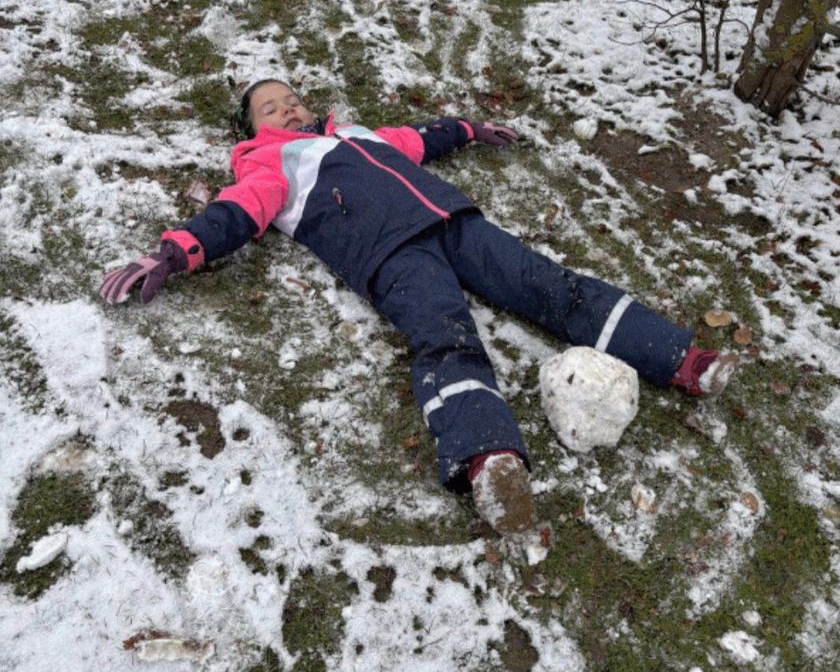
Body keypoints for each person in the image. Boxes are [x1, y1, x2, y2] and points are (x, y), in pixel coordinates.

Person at [100, 79, 735, 535]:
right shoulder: (270, 164)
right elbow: (232, 217)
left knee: (550, 285)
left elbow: (419, 139)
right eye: (271, 105)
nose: (288, 105)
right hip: (390, 255)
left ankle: (679, 357)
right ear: (252, 129)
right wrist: (174, 253)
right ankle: (489, 462)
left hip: (455, 222)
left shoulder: (353, 134)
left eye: (291, 95)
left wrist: (470, 130)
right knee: (445, 336)